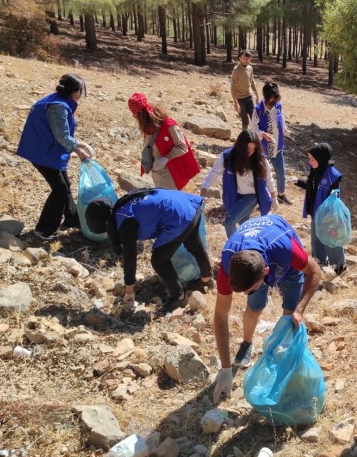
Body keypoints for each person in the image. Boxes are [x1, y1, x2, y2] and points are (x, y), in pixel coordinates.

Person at [212, 215, 322, 403]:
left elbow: (315, 272)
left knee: (289, 318)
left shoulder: (287, 250)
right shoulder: (229, 264)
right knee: (254, 308)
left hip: (286, 265)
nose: (245, 294)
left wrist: (299, 310)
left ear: (265, 273)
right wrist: (225, 369)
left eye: (250, 290)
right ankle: (247, 343)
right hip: (256, 262)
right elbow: (220, 316)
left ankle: (282, 362)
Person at [85, 188, 214, 312]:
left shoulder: (124, 221)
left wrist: (129, 290)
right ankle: (206, 279)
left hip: (179, 216)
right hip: (188, 206)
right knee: (193, 244)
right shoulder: (122, 207)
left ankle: (180, 298)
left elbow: (130, 258)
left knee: (159, 260)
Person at [17, 73, 94, 241]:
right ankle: (44, 229)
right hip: (42, 153)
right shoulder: (59, 107)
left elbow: (61, 135)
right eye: (82, 90)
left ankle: (72, 218)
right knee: (60, 190)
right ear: (76, 91)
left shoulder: (59, 99)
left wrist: (78, 147)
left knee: (65, 184)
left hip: (44, 149)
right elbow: (62, 137)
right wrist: (79, 149)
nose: (83, 94)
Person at [199, 130, 278, 237]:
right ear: (240, 146)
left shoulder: (261, 160)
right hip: (234, 196)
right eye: (248, 149)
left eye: (254, 149)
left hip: (252, 196)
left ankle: (234, 250)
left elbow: (269, 180)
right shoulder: (227, 157)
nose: (251, 152)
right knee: (245, 225)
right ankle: (251, 245)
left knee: (229, 222)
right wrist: (202, 194)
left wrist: (274, 198)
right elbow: (213, 174)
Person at [128, 92, 200, 190]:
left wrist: (166, 158)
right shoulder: (148, 127)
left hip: (170, 175)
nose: (136, 119)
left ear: (142, 114)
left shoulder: (168, 125)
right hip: (156, 173)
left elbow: (183, 147)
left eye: (136, 116)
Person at [296, 143, 346, 274]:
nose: (310, 162)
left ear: (321, 158)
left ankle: (340, 266)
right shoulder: (316, 170)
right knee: (316, 239)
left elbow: (335, 197)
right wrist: (298, 181)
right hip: (316, 213)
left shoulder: (332, 176)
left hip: (328, 216)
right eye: (309, 158)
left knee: (331, 241)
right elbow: (312, 187)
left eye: (312, 159)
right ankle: (319, 264)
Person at [250, 81, 293, 205]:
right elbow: (253, 128)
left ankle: (281, 195)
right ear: (266, 96)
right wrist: (263, 134)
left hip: (278, 147)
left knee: (281, 173)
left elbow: (281, 119)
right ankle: (262, 198)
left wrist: (286, 131)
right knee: (263, 174)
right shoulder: (258, 110)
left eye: (275, 98)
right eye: (271, 98)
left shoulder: (278, 106)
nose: (273, 101)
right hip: (264, 149)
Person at [231, 49, 260, 130]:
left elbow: (252, 82)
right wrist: (235, 102)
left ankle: (255, 137)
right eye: (243, 58)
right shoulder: (236, 69)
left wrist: (257, 95)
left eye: (247, 59)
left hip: (249, 97)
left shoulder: (250, 68)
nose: (245, 61)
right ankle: (245, 137)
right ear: (240, 58)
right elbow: (233, 86)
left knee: (254, 119)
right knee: (245, 121)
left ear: (250, 59)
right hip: (240, 99)